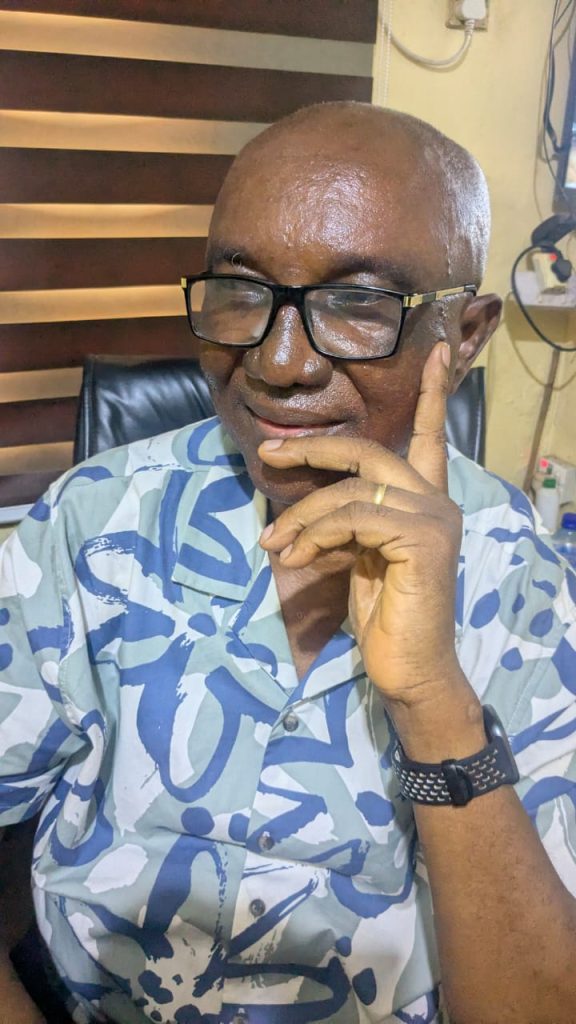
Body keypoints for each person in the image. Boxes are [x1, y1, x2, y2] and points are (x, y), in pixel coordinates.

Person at [0, 101, 575, 1024]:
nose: (277, 362)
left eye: (358, 304)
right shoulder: (95, 520)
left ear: (464, 336)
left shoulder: (528, 584)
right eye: (240, 290)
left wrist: (432, 699)